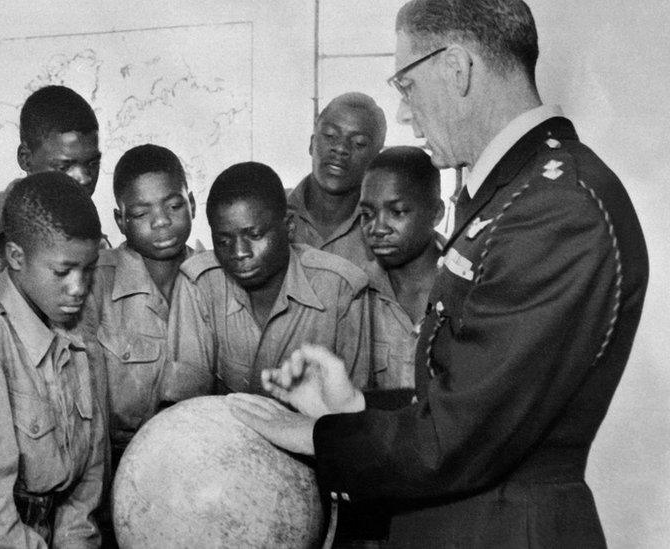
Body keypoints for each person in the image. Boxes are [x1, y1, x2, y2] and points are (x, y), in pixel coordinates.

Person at [229, 1, 648, 547]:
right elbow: (471, 394)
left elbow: (456, 439)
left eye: (407, 86)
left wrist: (319, 435)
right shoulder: (517, 192)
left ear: (457, 68)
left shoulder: (557, 207)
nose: (404, 114)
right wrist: (354, 406)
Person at [0, 172, 105, 548]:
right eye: (63, 272)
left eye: (89, 269)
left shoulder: (79, 328)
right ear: (16, 256)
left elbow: (86, 487)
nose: (79, 288)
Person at [161, 161, 370, 401]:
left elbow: (352, 415)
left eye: (255, 235)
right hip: (225, 434)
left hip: (314, 435)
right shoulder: (200, 284)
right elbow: (186, 404)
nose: (239, 252)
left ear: (289, 227)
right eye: (224, 241)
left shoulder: (342, 289)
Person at [86, 144, 197, 466]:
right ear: (120, 220)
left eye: (173, 206)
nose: (160, 222)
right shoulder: (96, 284)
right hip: (115, 467)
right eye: (140, 213)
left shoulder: (215, 280)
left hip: (201, 461)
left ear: (191, 203)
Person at [0, 85, 106, 280]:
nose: (84, 178)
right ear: (25, 159)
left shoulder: (96, 247)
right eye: (64, 166)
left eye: (92, 164)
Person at [359, 146, 444, 391]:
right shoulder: (355, 292)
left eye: (397, 212)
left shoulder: (468, 285)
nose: (377, 228)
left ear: (437, 213)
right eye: (367, 214)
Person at [287, 92, 387, 281]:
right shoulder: (271, 211)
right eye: (330, 135)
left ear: (376, 159)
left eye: (359, 143)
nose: (341, 148)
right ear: (311, 144)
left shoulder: (387, 230)